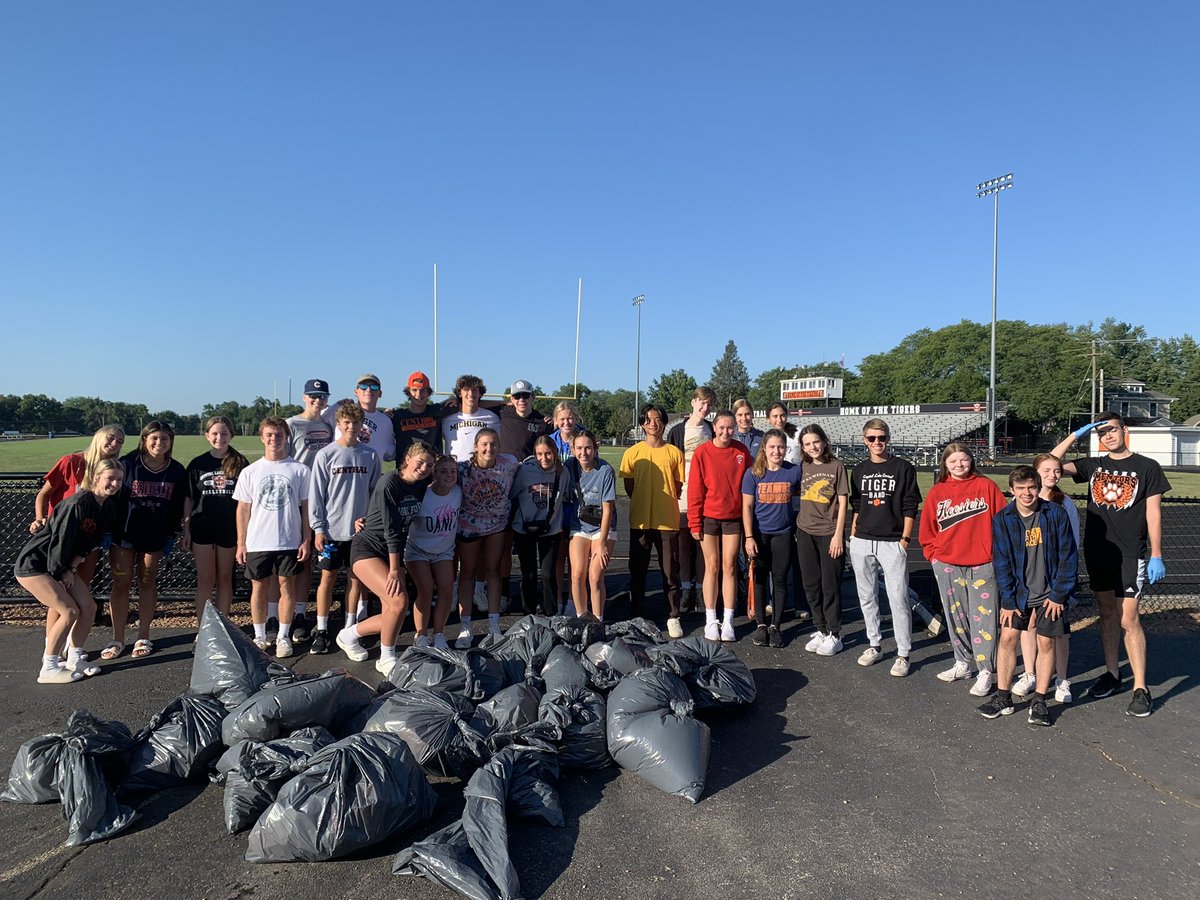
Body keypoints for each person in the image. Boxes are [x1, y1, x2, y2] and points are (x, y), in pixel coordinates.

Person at [1052, 415, 1170, 717]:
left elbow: (1153, 513)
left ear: (1124, 431)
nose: (1107, 436)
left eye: (1112, 430)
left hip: (1130, 553)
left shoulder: (1147, 467)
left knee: (1128, 620)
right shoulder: (1092, 465)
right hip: (1097, 551)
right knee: (1106, 614)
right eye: (1101, 432)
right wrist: (1076, 435)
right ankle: (1112, 673)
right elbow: (1049, 466)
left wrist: (1156, 553)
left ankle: (1141, 687)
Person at [979, 465, 1078, 726]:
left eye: (1031, 487)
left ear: (1038, 487)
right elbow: (1001, 563)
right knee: (1008, 638)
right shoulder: (1003, 519)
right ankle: (1003, 697)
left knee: (1046, 643)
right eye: (1020, 488)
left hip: (1050, 593)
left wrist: (1058, 595)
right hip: (1019, 593)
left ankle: (1040, 701)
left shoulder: (1054, 514)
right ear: (1012, 490)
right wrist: (1009, 601)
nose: (1027, 493)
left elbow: (1068, 557)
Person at [15, 458, 124, 683]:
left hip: (63, 564)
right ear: (95, 478)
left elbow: (89, 542)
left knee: (89, 607)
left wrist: (72, 567)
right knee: (68, 611)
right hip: (37, 564)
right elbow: (60, 541)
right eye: (110, 478)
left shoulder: (108, 507)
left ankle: (75, 658)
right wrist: (61, 571)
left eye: (119, 480)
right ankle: (49, 666)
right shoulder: (78, 503)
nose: (114, 483)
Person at [336, 441, 435, 671]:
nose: (424, 468)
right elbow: (391, 529)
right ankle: (386, 657)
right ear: (407, 459)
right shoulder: (390, 482)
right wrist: (394, 569)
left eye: (429, 465)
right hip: (368, 549)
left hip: (390, 551)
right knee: (399, 601)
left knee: (394, 608)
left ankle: (349, 635)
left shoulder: (421, 484)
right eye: (420, 462)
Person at [919, 443, 1008, 691]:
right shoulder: (938, 492)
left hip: (983, 564)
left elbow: (1003, 521)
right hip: (948, 563)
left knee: (984, 618)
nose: (959, 465)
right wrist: (934, 556)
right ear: (945, 464)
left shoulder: (986, 486)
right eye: (953, 461)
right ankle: (962, 662)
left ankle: (985, 670)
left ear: (972, 460)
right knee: (955, 615)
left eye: (964, 460)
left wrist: (997, 556)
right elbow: (928, 529)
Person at [104, 421, 187, 660]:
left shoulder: (176, 470)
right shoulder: (128, 464)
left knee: (147, 582)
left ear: (171, 442)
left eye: (164, 439)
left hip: (155, 536)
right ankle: (117, 638)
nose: (159, 443)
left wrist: (172, 533)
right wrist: (107, 529)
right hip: (124, 535)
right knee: (121, 584)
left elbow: (178, 506)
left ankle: (143, 634)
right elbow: (112, 497)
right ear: (144, 440)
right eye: (154, 438)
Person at [233, 417, 311, 658]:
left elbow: (307, 508)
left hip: (289, 539)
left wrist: (306, 538)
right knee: (259, 589)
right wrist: (241, 542)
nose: (274, 439)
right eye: (269, 434)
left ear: (286, 437)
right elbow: (243, 509)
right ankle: (259, 636)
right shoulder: (250, 471)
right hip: (258, 541)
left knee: (287, 587)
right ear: (262, 437)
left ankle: (283, 636)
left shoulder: (300, 470)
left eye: (278, 435)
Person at [308, 401, 381, 654]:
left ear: (362, 424)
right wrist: (318, 528)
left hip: (360, 533)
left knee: (356, 580)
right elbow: (316, 494)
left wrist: (370, 522)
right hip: (331, 531)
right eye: (346, 422)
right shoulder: (326, 455)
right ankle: (322, 629)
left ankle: (349, 629)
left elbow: (374, 494)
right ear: (338, 424)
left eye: (356, 422)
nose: (351, 426)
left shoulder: (370, 455)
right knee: (327, 579)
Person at [847, 418, 921, 664]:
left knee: (898, 597)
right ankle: (874, 644)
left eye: (882, 438)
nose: (877, 442)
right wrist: (854, 533)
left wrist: (905, 539)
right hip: (862, 540)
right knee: (866, 596)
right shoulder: (858, 470)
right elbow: (856, 505)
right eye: (872, 438)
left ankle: (903, 652)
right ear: (864, 440)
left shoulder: (903, 468)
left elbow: (911, 505)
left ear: (888, 439)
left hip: (892, 541)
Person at [1013, 453, 1081, 703]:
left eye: (1057, 471)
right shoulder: (1020, 499)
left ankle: (1062, 679)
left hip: (1054, 578)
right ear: (1034, 473)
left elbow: (1073, 544)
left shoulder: (1065, 504)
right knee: (1028, 625)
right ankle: (1030, 673)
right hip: (1028, 577)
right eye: (1046, 470)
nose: (1052, 475)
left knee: (1059, 631)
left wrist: (1063, 583)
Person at [29, 424, 125, 591]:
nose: (114, 443)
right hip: (63, 536)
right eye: (110, 438)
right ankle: (64, 616)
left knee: (81, 584)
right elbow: (44, 494)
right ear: (98, 437)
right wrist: (39, 518)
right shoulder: (71, 462)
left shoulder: (114, 471)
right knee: (60, 586)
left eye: (119, 441)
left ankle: (79, 617)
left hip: (88, 537)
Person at [620, 404, 685, 636]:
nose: (653, 424)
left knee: (670, 570)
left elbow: (677, 486)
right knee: (637, 570)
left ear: (664, 422)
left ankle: (673, 616)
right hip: (640, 521)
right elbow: (629, 486)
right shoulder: (632, 453)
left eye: (657, 419)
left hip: (667, 519)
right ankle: (636, 616)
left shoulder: (675, 453)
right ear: (642, 424)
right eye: (648, 420)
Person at [687, 410, 751, 642]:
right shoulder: (703, 452)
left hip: (733, 518)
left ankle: (729, 619)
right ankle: (710, 619)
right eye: (722, 427)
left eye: (730, 427)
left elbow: (749, 486)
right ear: (714, 427)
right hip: (709, 518)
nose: (726, 432)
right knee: (712, 566)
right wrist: (694, 521)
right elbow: (695, 489)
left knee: (730, 566)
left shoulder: (741, 451)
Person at [453, 427, 519, 646]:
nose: (489, 448)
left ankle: (493, 625)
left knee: (493, 570)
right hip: (469, 526)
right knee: (468, 573)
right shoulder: (463, 469)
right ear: (476, 447)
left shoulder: (509, 464)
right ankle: (465, 626)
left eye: (493, 444)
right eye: (484, 444)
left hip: (497, 525)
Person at [183, 416, 249, 624]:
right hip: (202, 527)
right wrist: (186, 529)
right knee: (205, 579)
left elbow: (246, 501)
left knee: (224, 578)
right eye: (214, 433)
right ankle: (205, 628)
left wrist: (243, 536)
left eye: (224, 433)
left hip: (229, 528)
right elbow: (188, 498)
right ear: (207, 436)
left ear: (231, 435)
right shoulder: (197, 464)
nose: (219, 437)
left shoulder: (239, 462)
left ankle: (222, 625)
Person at [741, 429, 800, 648]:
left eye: (781, 447)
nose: (776, 451)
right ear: (764, 448)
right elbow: (746, 506)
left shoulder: (794, 472)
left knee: (780, 579)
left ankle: (776, 625)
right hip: (759, 534)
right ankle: (760, 625)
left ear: (786, 449)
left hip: (783, 533)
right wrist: (748, 536)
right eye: (772, 447)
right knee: (759, 579)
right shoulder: (753, 473)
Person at [796, 423, 849, 657]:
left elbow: (844, 502)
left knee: (830, 585)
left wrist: (838, 535)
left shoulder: (836, 466)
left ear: (824, 441)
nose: (812, 447)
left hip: (829, 532)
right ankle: (820, 628)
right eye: (807, 444)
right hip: (805, 531)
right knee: (811, 584)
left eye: (815, 441)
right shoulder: (804, 465)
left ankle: (835, 633)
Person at [511, 436, 575, 616]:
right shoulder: (525, 471)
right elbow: (513, 494)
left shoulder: (562, 473)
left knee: (548, 574)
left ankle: (551, 612)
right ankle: (529, 612)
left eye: (548, 453)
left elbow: (566, 496)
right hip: (524, 528)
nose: (544, 458)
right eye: (539, 454)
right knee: (528, 574)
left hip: (550, 528)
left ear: (555, 453)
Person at [668, 386, 715, 612]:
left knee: (702, 543)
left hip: (706, 493)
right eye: (702, 403)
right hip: (682, 494)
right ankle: (687, 589)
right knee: (683, 542)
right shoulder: (677, 431)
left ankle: (701, 592)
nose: (705, 408)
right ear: (693, 402)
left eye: (709, 405)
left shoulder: (711, 430)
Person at [408, 454, 462, 650]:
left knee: (447, 589)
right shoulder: (423, 494)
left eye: (453, 471)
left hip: (444, 550)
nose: (449, 475)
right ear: (435, 474)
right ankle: (421, 635)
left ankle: (438, 634)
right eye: (443, 471)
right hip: (417, 549)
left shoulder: (458, 492)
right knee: (426, 589)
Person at [567, 429, 618, 622]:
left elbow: (608, 510)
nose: (583, 453)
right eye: (579, 448)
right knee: (577, 573)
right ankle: (581, 617)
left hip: (602, 527)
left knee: (595, 576)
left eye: (588, 448)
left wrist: (602, 542)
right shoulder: (569, 466)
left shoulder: (604, 470)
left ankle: (598, 620)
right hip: (579, 526)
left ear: (595, 448)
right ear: (573, 450)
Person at [550, 401, 581, 614]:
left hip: (578, 504)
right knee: (559, 556)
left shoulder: (582, 439)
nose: (566, 422)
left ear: (575, 419)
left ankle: (573, 599)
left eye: (569, 418)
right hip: (557, 505)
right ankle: (558, 600)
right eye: (562, 418)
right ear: (555, 421)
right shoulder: (550, 441)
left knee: (577, 559)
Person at [336, 373, 396, 463]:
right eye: (363, 386)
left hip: (372, 473)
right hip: (344, 469)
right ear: (356, 392)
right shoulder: (343, 413)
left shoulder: (386, 421)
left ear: (380, 393)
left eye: (374, 387)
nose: (368, 390)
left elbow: (390, 454)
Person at [442, 374, 500, 463]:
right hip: (454, 470)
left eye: (474, 390)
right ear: (459, 393)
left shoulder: (492, 418)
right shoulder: (447, 418)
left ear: (480, 393)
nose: (470, 393)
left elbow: (499, 444)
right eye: (466, 390)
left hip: (481, 470)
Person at [391, 371, 450, 459]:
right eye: (414, 390)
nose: (418, 394)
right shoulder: (397, 416)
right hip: (405, 469)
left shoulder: (437, 411)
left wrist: (456, 399)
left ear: (428, 393)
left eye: (423, 390)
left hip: (431, 468)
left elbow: (468, 402)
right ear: (408, 392)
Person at [286, 378, 336, 467]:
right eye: (313, 396)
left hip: (322, 479)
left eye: (323, 396)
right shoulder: (291, 424)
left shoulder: (328, 426)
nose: (318, 400)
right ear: (304, 397)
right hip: (300, 478)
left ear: (327, 400)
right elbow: (282, 457)